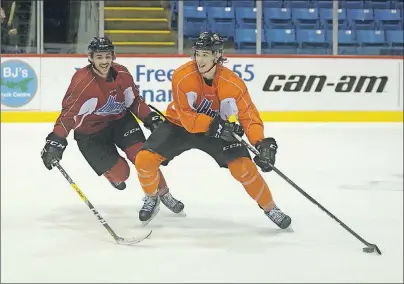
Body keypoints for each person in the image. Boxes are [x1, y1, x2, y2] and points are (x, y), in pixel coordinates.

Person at [134, 32, 292, 229]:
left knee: (244, 168)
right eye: (197, 54)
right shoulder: (182, 77)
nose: (199, 59)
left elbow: (248, 115)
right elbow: (186, 117)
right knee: (144, 159)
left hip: (219, 130)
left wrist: (261, 142)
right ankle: (152, 197)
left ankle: (271, 208)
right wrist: (212, 125)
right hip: (179, 126)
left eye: (205, 54)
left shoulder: (233, 83)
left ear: (217, 56)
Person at [40, 37, 184, 224]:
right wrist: (55, 140)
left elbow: (134, 101)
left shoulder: (122, 74)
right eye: (99, 57)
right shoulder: (82, 83)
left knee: (142, 157)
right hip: (91, 134)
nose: (104, 61)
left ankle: (161, 194)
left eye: (108, 56)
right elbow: (69, 115)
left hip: (120, 122)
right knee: (121, 174)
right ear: (91, 58)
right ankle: (113, 174)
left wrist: (151, 118)